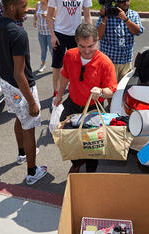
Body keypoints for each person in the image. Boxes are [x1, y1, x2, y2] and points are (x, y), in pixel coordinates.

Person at [0, 0, 47, 185]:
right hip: (21, 87)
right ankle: (32, 172)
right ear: (12, 7)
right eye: (24, 6)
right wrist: (32, 102)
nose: (28, 9)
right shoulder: (18, 33)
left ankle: (22, 153)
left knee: (20, 118)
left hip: (7, 85)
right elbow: (19, 73)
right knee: (29, 128)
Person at [53, 23, 117, 174]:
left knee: (92, 146)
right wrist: (59, 95)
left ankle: (89, 174)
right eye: (82, 46)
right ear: (76, 43)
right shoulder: (69, 55)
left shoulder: (105, 62)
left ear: (97, 41)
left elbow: (111, 90)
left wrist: (101, 91)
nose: (87, 51)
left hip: (93, 111)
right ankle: (76, 162)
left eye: (91, 46)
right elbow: (65, 76)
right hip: (72, 105)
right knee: (67, 137)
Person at [47, 0, 92, 98]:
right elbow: (49, 15)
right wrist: (52, 35)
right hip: (59, 33)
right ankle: (56, 93)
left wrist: (91, 35)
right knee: (57, 65)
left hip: (76, 34)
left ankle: (74, 91)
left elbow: (87, 15)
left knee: (76, 65)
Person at [97, 0, 144, 82]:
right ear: (117, 2)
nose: (125, 3)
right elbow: (98, 36)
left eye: (127, 1)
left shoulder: (133, 15)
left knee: (122, 90)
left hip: (126, 62)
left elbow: (138, 31)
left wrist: (126, 19)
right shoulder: (109, 14)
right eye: (122, 1)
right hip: (109, 62)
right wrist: (104, 17)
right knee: (108, 90)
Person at [33, 0, 53, 72]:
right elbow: (35, 13)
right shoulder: (38, 4)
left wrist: (47, 17)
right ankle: (43, 64)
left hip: (50, 33)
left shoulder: (51, 5)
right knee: (43, 50)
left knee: (52, 50)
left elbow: (56, 19)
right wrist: (34, 21)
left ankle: (55, 65)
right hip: (41, 32)